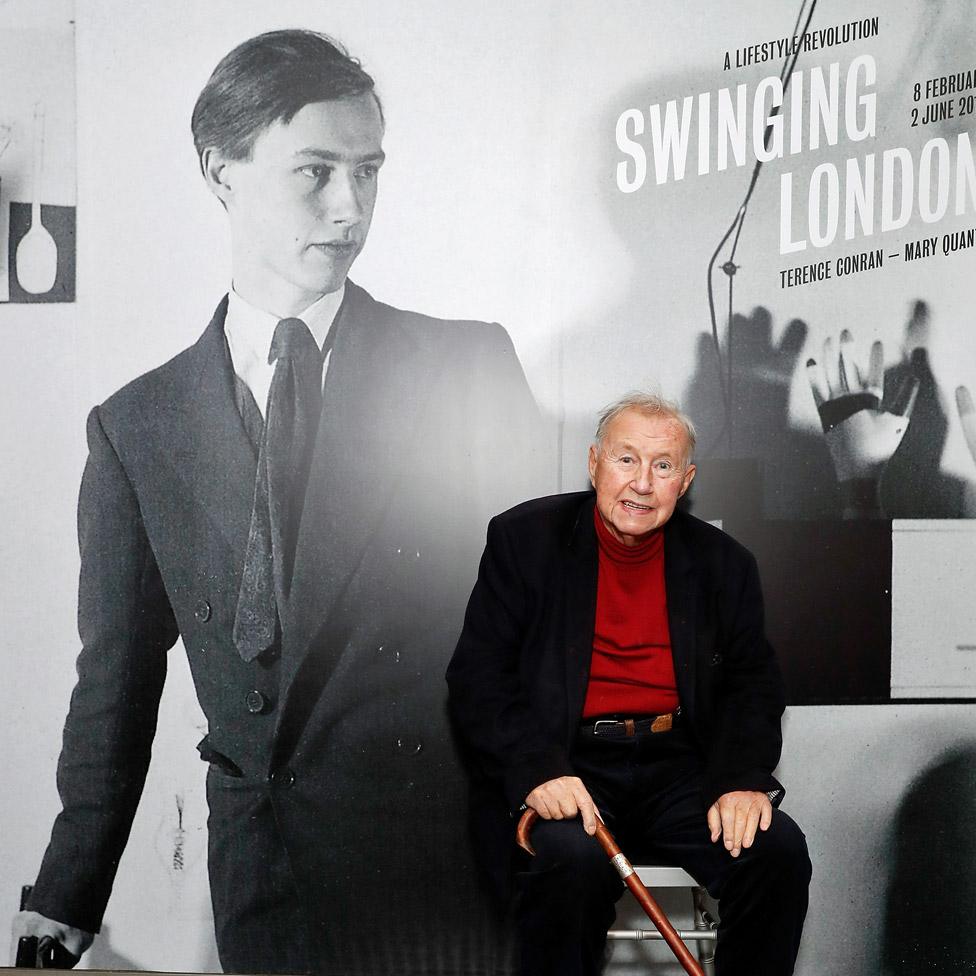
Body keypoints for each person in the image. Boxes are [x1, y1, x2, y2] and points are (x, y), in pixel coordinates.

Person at [13, 29, 543, 975]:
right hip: (267, 887)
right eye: (316, 172)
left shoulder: (464, 370)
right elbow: (117, 683)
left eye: (368, 172)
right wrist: (66, 895)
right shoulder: (138, 427)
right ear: (222, 172)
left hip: (449, 880)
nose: (350, 208)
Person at [447, 392, 811, 976]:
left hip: (680, 768)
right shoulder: (524, 539)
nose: (642, 483)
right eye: (626, 460)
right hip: (570, 763)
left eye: (662, 466)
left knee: (777, 853)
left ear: (684, 480)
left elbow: (753, 684)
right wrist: (538, 769)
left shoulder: (725, 564)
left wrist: (743, 781)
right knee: (568, 862)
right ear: (594, 463)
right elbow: (478, 676)